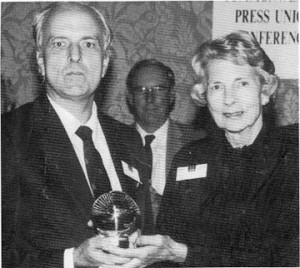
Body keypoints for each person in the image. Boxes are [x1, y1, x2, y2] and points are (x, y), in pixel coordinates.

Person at [101, 31, 299, 267]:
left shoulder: (292, 154)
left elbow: (282, 259)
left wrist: (183, 254)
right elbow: (165, 249)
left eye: (242, 84)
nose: (229, 99)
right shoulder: (189, 157)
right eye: (217, 86)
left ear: (264, 91)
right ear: (204, 95)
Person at [1, 2, 143, 268]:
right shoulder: (8, 137)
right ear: (40, 61)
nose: (75, 56)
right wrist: (71, 259)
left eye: (88, 44)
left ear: (105, 62)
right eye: (59, 44)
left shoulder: (130, 140)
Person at [125, 59, 206, 234]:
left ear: (171, 96)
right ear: (130, 97)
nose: (150, 99)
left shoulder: (199, 142)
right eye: (141, 90)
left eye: (159, 90)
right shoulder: (114, 143)